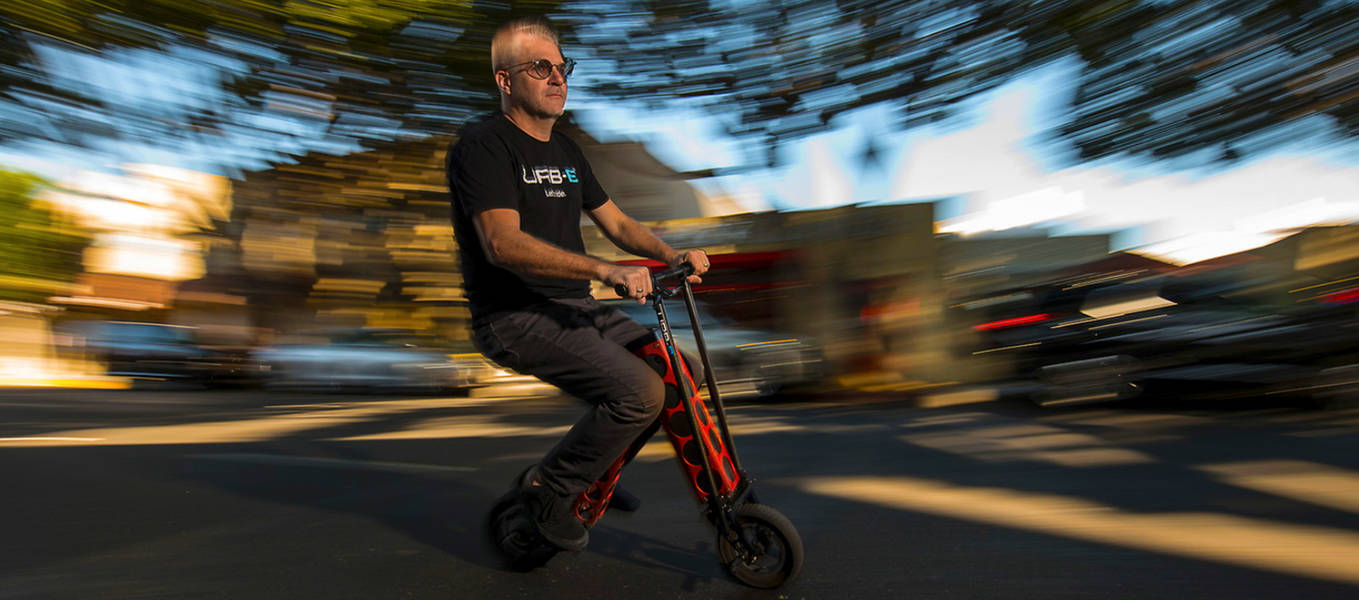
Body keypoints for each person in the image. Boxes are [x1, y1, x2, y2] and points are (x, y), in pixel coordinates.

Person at [446, 16, 710, 553]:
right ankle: (550, 489)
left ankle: (590, 474)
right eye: (540, 67)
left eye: (562, 67)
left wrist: (671, 255)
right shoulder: (483, 146)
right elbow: (502, 243)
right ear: (505, 80)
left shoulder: (566, 152)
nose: (558, 77)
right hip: (515, 315)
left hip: (574, 308)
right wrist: (604, 270)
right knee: (639, 393)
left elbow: (617, 224)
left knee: (685, 371)